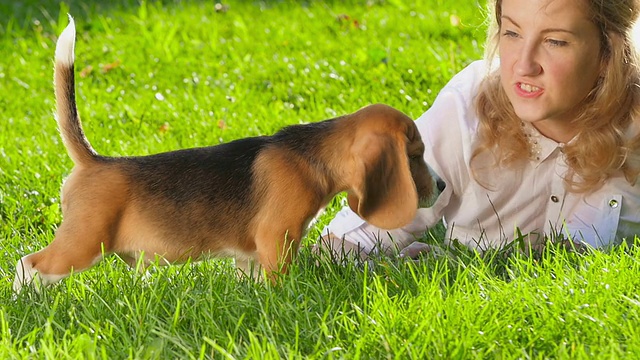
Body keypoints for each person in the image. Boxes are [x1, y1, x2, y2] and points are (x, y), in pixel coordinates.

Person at [317, 0, 640, 259]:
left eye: (555, 41)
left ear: (609, 53)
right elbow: (346, 244)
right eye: (512, 33)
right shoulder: (466, 111)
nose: (524, 66)